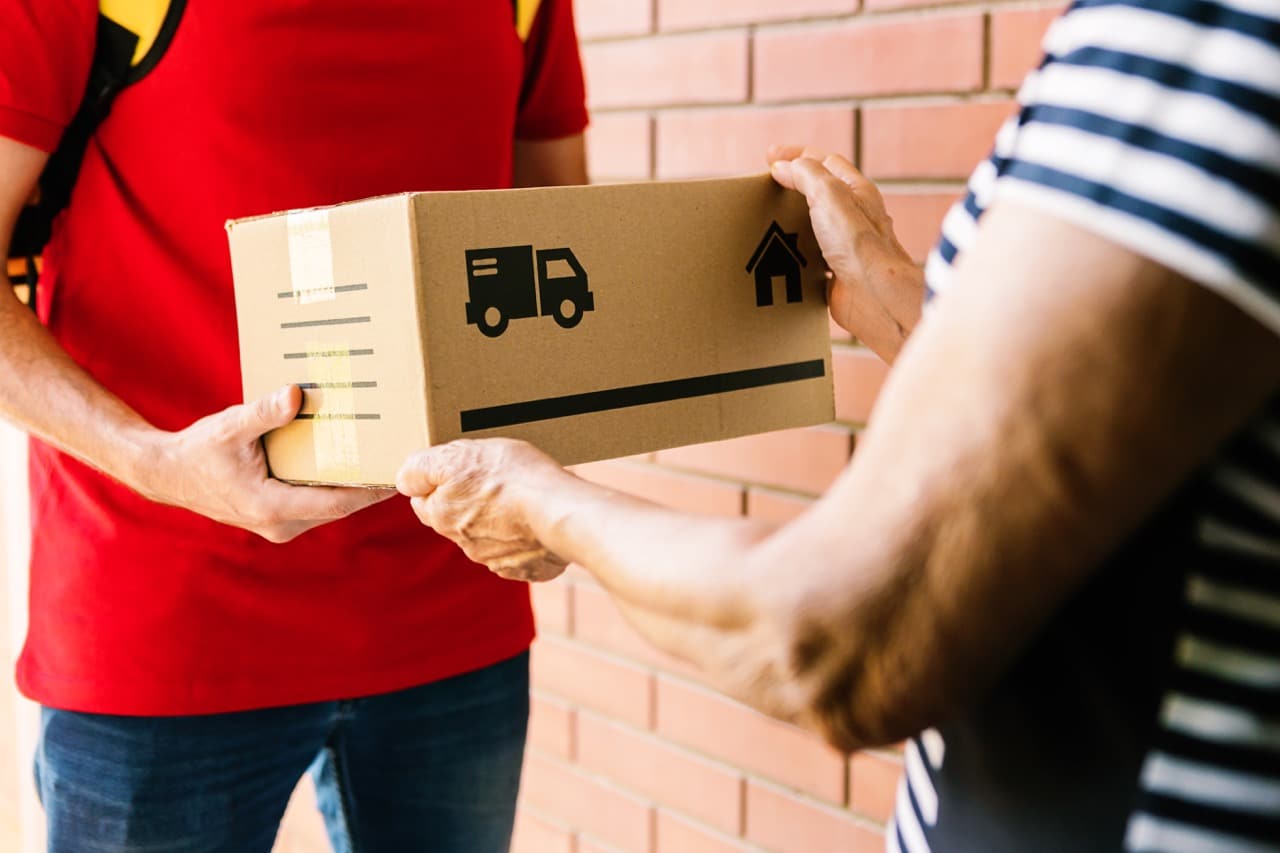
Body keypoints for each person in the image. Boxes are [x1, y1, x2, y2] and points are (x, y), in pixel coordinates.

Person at [396, 1, 1280, 850]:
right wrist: (888, 291)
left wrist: (543, 503)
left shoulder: (1208, 33)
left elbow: (834, 636)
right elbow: (1103, 412)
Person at [0, 2, 588, 851]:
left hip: (450, 615)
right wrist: (156, 462)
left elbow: (555, 247)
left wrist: (555, 481)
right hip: (165, 625)